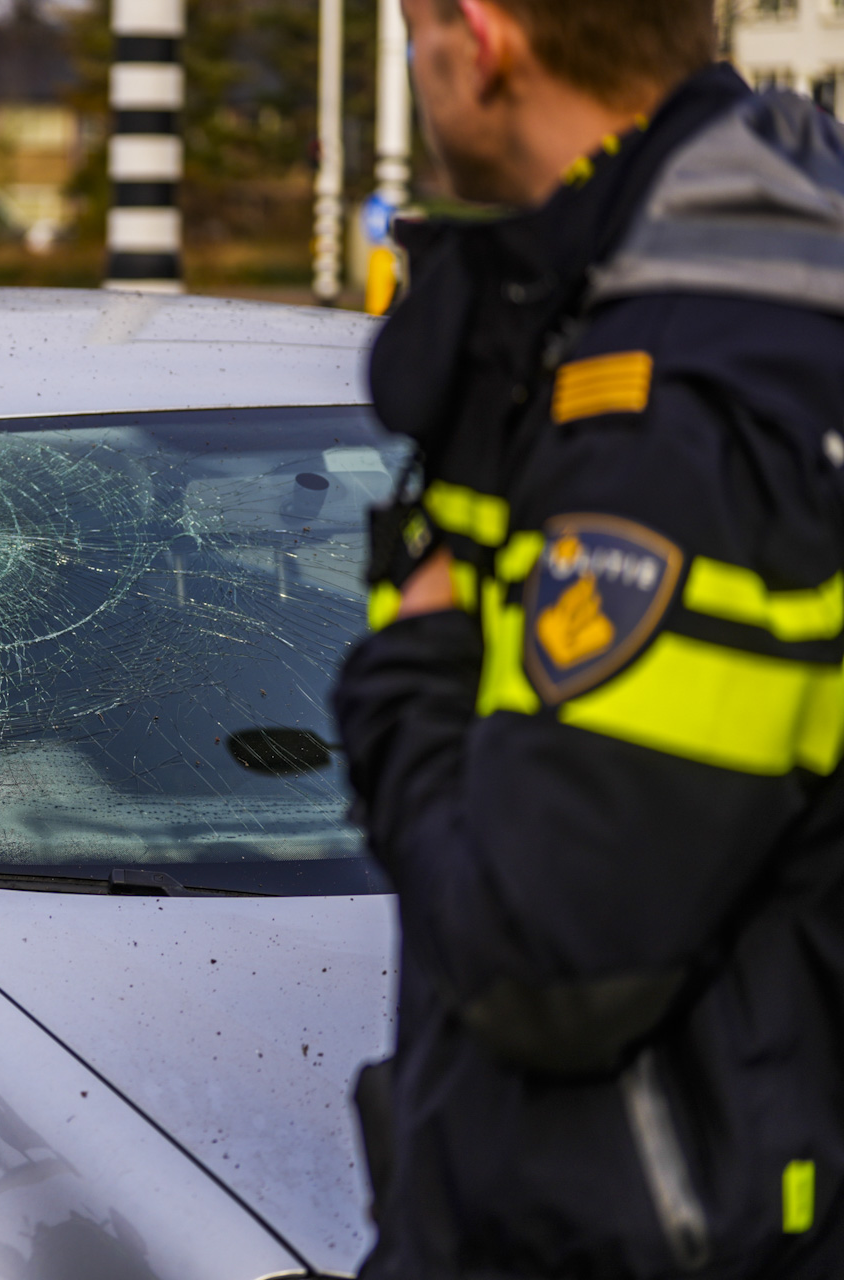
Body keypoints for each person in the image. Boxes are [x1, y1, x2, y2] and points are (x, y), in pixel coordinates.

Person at [334, 0, 844, 1276]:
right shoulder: (686, 289)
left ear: (483, 37)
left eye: (414, 27)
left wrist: (409, 665)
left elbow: (546, 961)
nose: (418, 61)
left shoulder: (674, 408)